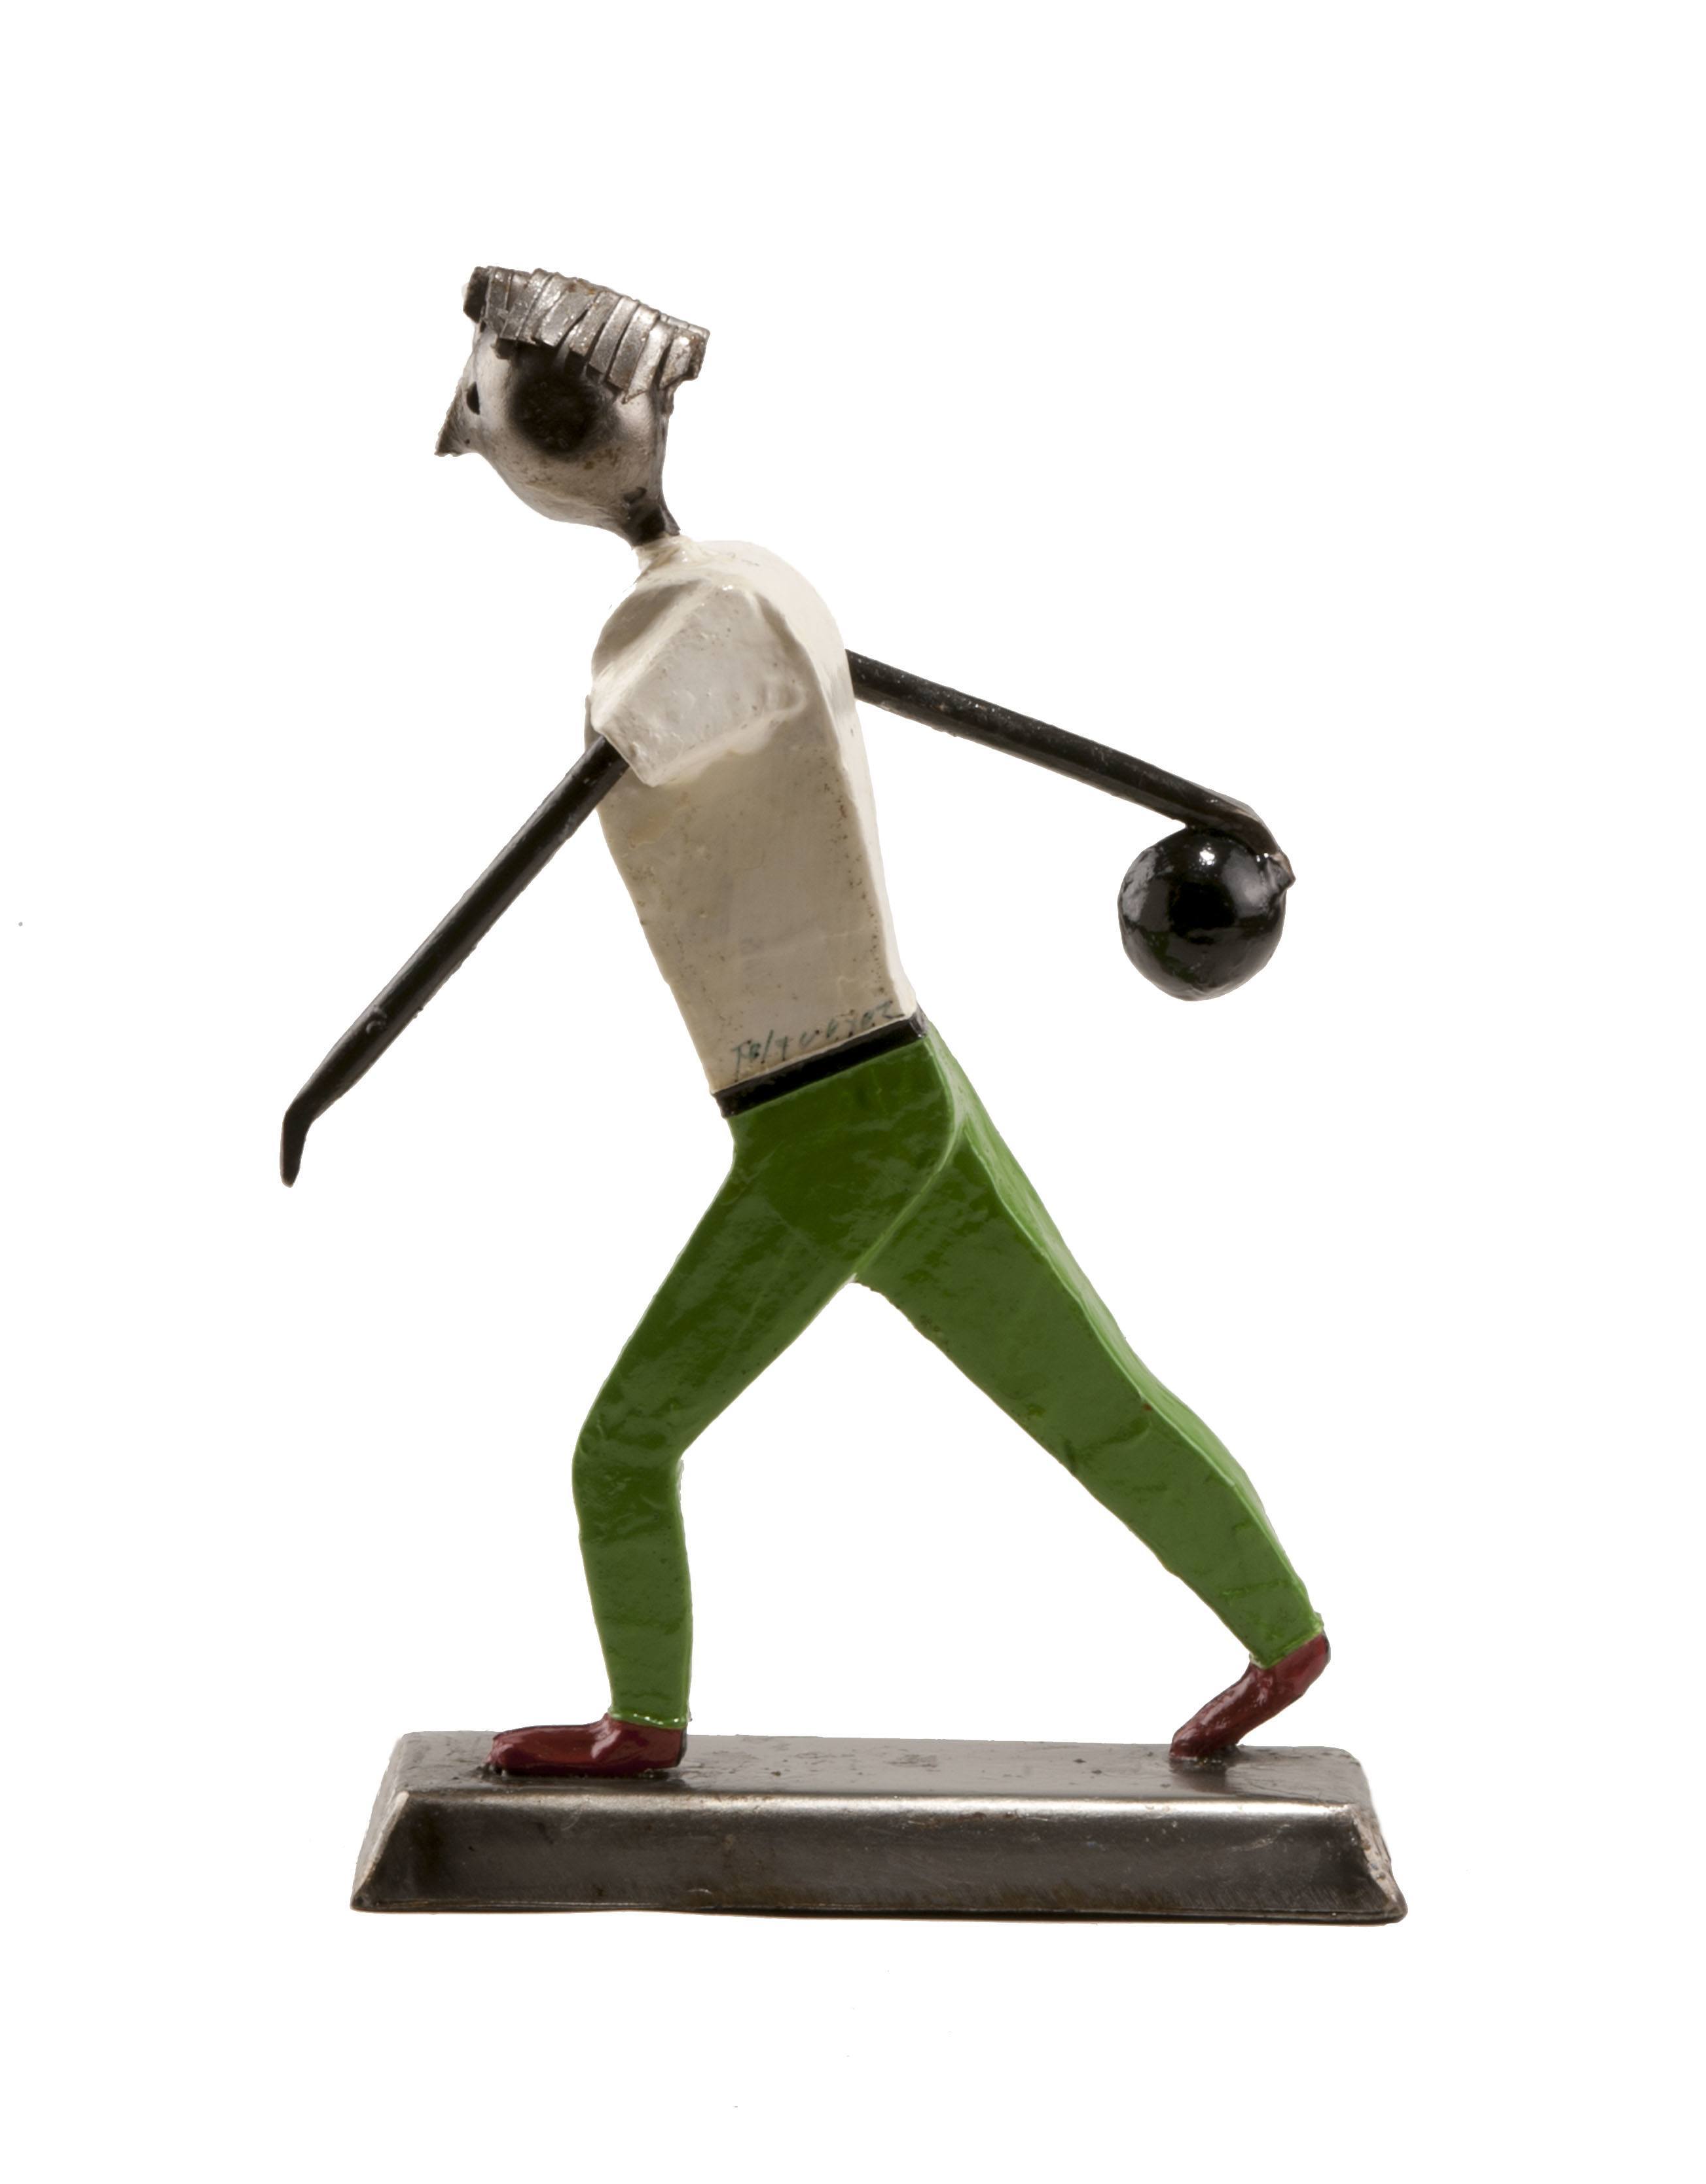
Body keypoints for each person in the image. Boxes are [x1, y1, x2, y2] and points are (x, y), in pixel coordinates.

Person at [427, 266, 1328, 1775]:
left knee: (625, 1441)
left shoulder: (701, 616)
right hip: (892, 1082)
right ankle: (1282, 1628)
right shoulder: (741, 583)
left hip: (829, 1117)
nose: (472, 433)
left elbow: (682, 703)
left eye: (483, 407)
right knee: (1087, 1386)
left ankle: (645, 1722)